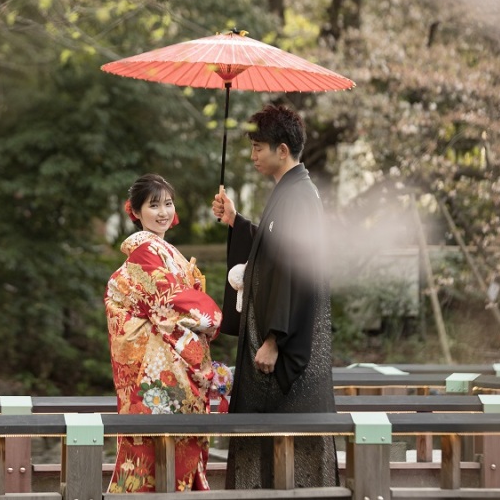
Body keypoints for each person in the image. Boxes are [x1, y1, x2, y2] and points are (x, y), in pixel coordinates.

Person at [212, 104, 337, 489]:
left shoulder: (300, 196)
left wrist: (273, 338)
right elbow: (271, 249)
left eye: (258, 147)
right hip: (277, 337)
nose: (253, 156)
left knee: (286, 440)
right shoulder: (291, 191)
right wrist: (236, 221)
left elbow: (294, 273)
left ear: (282, 150)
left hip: (284, 344)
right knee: (269, 437)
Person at [105, 173, 232, 493]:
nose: (163, 212)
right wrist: (216, 319)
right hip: (159, 374)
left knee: (160, 456)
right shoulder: (147, 252)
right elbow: (174, 302)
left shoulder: (160, 250)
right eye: (153, 205)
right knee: (164, 456)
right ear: (135, 211)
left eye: (168, 203)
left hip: (157, 370)